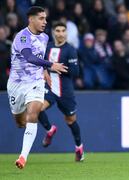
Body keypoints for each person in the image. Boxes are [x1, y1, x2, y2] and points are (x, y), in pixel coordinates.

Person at [7, 6, 67, 169]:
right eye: (41, 18)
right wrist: (51, 64)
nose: (45, 22)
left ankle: (22, 157)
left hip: (35, 82)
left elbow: (39, 58)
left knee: (33, 114)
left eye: (45, 18)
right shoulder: (22, 37)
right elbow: (29, 57)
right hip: (17, 85)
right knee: (20, 122)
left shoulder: (44, 37)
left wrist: (46, 70)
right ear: (31, 19)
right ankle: (33, 129)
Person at [38, 22, 84, 162]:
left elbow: (76, 72)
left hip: (65, 91)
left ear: (66, 33)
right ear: (53, 32)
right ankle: (49, 129)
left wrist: (57, 68)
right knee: (37, 108)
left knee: (70, 120)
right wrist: (49, 67)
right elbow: (41, 64)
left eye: (63, 31)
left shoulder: (70, 50)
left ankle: (79, 147)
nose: (60, 33)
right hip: (49, 87)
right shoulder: (48, 47)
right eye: (57, 30)